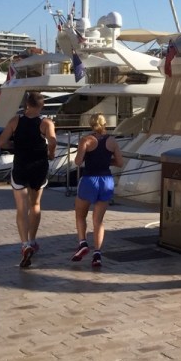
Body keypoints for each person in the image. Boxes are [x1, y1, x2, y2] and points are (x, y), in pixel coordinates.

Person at [0, 91, 56, 268]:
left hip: (21, 165)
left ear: (27, 104)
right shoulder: (46, 123)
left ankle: (24, 245)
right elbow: (52, 140)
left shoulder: (15, 121)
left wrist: (14, 145)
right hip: (39, 165)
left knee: (21, 208)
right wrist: (50, 153)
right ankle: (32, 240)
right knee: (35, 205)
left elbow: (0, 143)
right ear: (42, 106)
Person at [71, 112, 123, 269]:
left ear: (90, 124)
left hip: (89, 180)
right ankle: (97, 254)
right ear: (105, 123)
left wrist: (87, 155)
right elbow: (120, 163)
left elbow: (78, 161)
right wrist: (107, 161)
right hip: (106, 181)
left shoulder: (86, 140)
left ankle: (82, 243)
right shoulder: (112, 141)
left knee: (80, 215)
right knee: (98, 220)